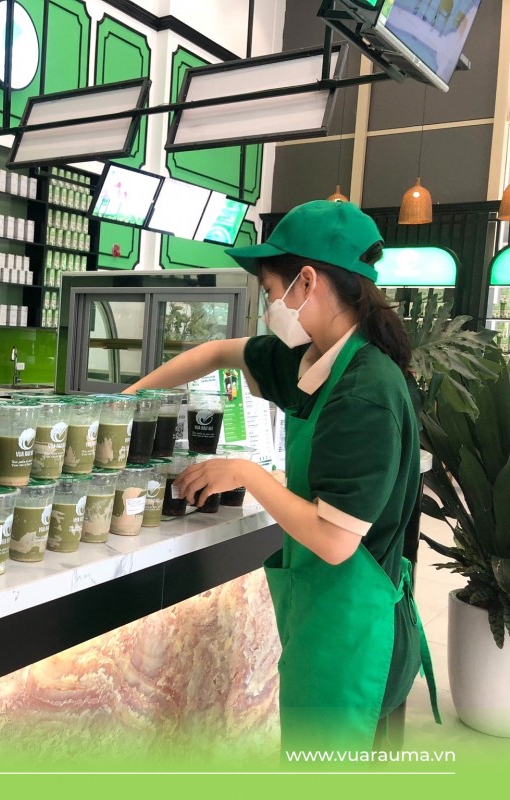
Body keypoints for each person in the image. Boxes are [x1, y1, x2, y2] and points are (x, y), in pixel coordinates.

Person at [126, 200, 438, 754]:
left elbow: (335, 540)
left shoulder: (364, 390)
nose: (271, 306)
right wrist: (125, 402)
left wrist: (246, 473)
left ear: (307, 281)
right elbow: (217, 353)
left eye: (271, 291)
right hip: (326, 620)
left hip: (353, 634)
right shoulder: (316, 358)